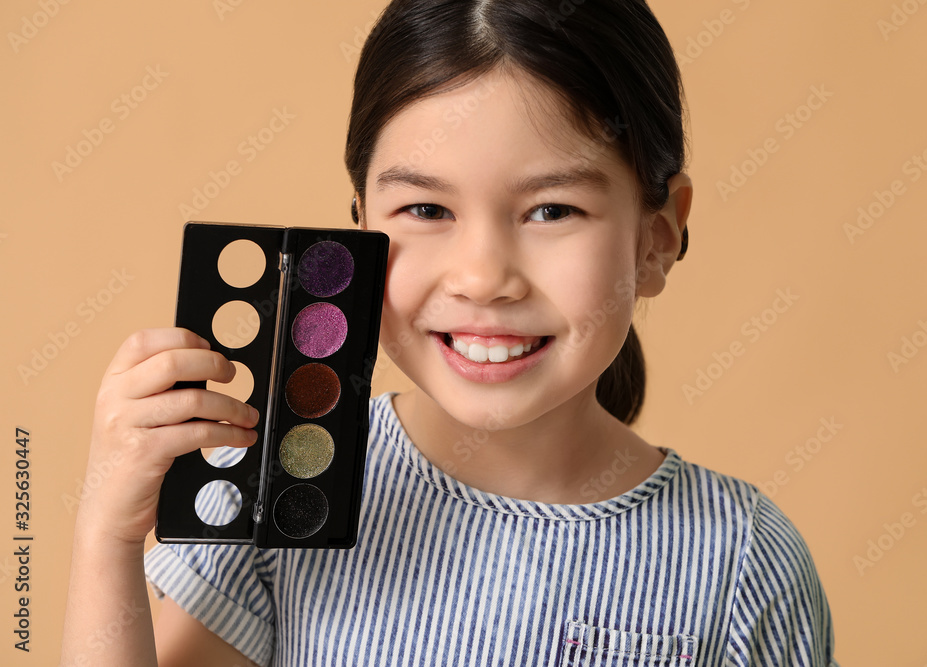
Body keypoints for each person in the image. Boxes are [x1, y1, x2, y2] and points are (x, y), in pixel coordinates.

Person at [61, 0, 838, 665]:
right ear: (358, 231)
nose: (481, 275)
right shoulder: (279, 485)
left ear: (657, 239)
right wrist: (106, 539)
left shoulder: (742, 562)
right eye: (427, 210)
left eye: (551, 210)